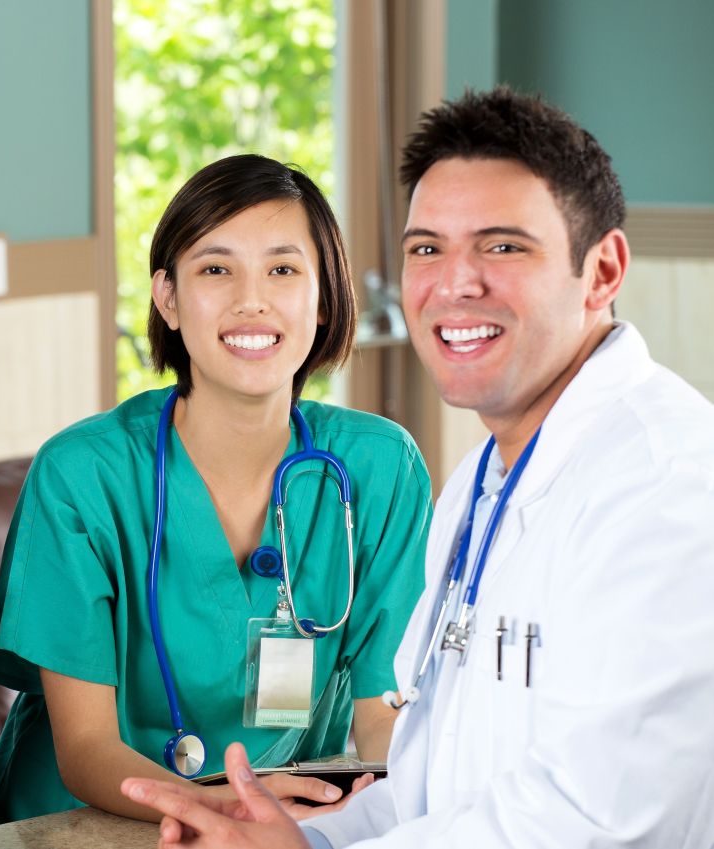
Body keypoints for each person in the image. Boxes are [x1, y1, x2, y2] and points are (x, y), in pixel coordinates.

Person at [121, 87, 714, 848]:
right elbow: (431, 784)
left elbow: (599, 816)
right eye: (426, 248)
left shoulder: (667, 486)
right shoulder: (479, 483)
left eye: (502, 246)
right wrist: (303, 838)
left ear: (601, 271)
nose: (454, 284)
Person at [0, 154, 431, 827]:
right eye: (215, 269)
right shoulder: (82, 473)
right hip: (80, 824)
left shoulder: (380, 467)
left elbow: (382, 714)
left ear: (323, 296)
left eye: (283, 269)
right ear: (167, 298)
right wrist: (221, 805)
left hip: (272, 825)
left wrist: (405, 814)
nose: (252, 299)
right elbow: (84, 747)